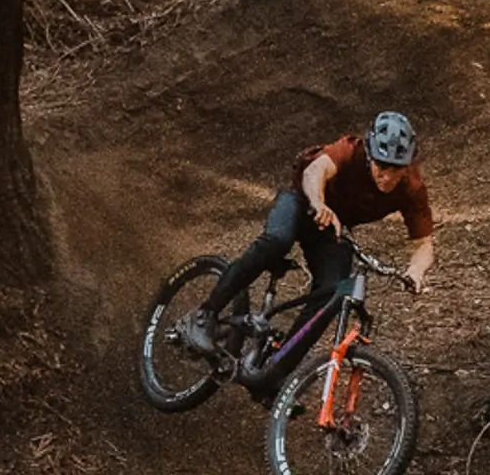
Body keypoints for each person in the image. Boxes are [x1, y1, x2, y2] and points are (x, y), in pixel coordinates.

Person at [179, 110, 435, 358]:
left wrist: (416, 270)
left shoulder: (412, 188)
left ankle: (279, 369)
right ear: (369, 155)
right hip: (301, 203)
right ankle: (204, 314)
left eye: (396, 168)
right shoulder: (350, 150)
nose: (387, 176)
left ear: (408, 164)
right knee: (277, 241)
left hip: (330, 227)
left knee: (334, 292)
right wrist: (318, 203)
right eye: (382, 166)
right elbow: (315, 171)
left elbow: (424, 244)